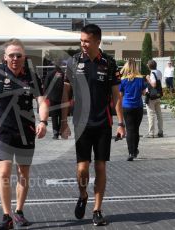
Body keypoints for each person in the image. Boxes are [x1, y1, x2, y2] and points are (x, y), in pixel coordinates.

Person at [0, 39, 49, 230]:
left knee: (23, 174)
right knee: (4, 173)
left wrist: (43, 122)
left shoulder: (32, 77)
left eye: (19, 55)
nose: (15, 58)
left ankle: (19, 212)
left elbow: (42, 102)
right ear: (5, 57)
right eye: (12, 55)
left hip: (26, 132)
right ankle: (6, 215)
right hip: (4, 132)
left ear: (24, 57)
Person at [60, 24, 125, 226]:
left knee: (100, 167)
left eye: (87, 41)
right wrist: (63, 122)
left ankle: (97, 209)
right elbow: (65, 93)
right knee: (82, 169)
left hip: (103, 123)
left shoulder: (109, 63)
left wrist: (121, 123)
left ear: (97, 41)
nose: (83, 44)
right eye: (81, 40)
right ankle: (83, 195)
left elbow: (116, 96)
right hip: (81, 124)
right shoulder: (73, 62)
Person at [119, 59, 147, 161]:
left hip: (127, 106)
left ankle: (131, 152)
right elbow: (144, 93)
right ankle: (135, 150)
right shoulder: (140, 79)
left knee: (129, 129)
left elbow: (120, 94)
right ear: (136, 67)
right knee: (136, 129)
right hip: (138, 107)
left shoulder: (123, 80)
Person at [43, 59, 65, 139]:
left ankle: (55, 134)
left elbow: (45, 86)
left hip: (52, 98)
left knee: (54, 116)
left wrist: (45, 97)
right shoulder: (63, 74)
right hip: (61, 98)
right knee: (61, 116)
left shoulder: (50, 74)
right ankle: (59, 131)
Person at [146, 60, 164, 138]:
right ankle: (160, 131)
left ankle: (151, 133)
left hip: (152, 96)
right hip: (157, 95)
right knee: (159, 114)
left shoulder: (152, 73)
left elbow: (153, 84)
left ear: (149, 66)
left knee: (151, 114)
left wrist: (148, 78)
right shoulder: (159, 72)